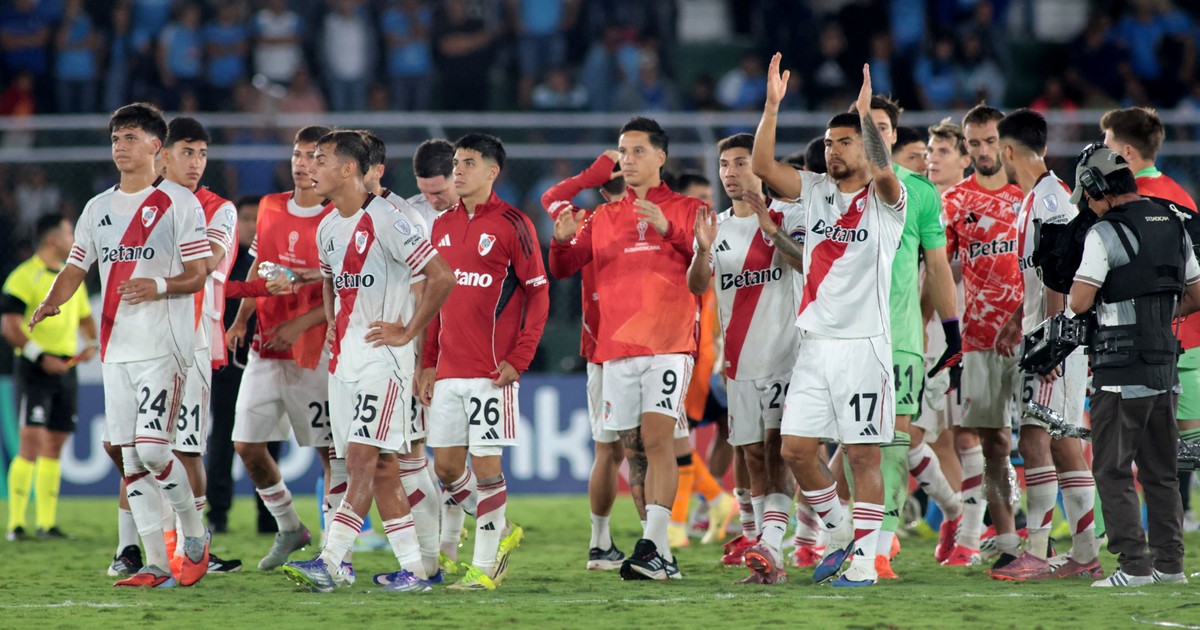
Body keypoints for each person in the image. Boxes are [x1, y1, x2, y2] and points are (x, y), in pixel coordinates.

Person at [31, 102, 211, 588]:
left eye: (130, 138)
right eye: (115, 139)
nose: (119, 147)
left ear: (156, 146)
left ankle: (193, 531)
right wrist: (50, 302)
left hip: (164, 346)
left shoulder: (180, 202)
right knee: (130, 459)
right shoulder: (97, 208)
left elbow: (199, 274)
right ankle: (155, 563)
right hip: (116, 349)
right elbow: (76, 267)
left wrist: (159, 285)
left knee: (153, 450)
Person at [752, 58, 905, 587]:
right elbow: (762, 165)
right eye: (828, 142)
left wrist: (866, 119)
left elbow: (884, 174)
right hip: (815, 344)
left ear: (865, 145)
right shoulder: (814, 189)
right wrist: (772, 106)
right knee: (795, 449)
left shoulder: (888, 202)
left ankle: (864, 564)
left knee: (862, 456)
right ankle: (841, 534)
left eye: (845, 141)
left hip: (864, 345)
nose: (833, 150)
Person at [281, 130, 454, 593]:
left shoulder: (391, 218)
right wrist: (333, 321)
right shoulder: (327, 226)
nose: (309, 167)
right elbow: (330, 280)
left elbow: (441, 276)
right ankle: (414, 570)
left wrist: (408, 332)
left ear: (348, 169)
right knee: (379, 467)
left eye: (321, 159)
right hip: (344, 363)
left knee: (361, 459)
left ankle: (330, 560)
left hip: (384, 362)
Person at [550, 116, 704, 581]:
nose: (628, 159)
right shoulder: (601, 217)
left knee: (657, 440)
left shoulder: (689, 208)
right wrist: (559, 242)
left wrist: (671, 231)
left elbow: (702, 278)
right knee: (629, 447)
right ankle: (660, 555)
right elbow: (564, 268)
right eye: (623, 151)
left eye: (638, 151)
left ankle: (653, 544)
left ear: (661, 157)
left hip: (669, 343)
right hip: (616, 349)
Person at [417, 133, 548, 590]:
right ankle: (502, 527)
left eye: (469, 162)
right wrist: (428, 361)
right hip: (448, 371)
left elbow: (538, 293)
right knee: (447, 469)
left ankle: (486, 566)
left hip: (492, 372)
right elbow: (435, 300)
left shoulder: (514, 223)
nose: (458, 169)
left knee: (488, 469)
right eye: (456, 161)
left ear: (493, 172)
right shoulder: (441, 225)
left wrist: (521, 356)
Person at [1067, 143, 1200, 587]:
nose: (1087, 206)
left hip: (1120, 369)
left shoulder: (1104, 232)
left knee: (1112, 469)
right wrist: (1155, 320)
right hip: (1165, 365)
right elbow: (1197, 295)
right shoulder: (1175, 224)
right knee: (1162, 473)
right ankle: (1170, 566)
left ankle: (1134, 567)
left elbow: (1079, 301)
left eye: (1087, 197)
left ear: (1095, 187)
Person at [687, 132, 803, 584]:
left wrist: (772, 230)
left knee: (778, 452)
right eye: (725, 165)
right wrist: (701, 250)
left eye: (740, 163)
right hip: (738, 361)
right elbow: (698, 285)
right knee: (752, 455)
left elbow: (806, 263)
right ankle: (762, 547)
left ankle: (773, 546)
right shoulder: (715, 228)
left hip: (786, 356)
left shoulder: (787, 214)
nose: (731, 172)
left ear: (758, 167)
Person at [855, 95, 961, 578]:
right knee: (850, 446)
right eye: (866, 126)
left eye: (881, 127)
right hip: (844, 341)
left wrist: (951, 330)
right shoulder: (834, 189)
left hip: (899, 338)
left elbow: (936, 267)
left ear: (893, 135)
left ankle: (879, 546)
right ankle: (838, 533)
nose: (874, 135)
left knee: (897, 441)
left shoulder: (919, 192)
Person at [992, 108, 1099, 580]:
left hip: (1056, 342)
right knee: (1063, 443)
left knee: (1035, 439)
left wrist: (1052, 342)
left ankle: (1036, 550)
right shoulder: (1039, 197)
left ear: (1007, 150)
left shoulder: (1049, 200)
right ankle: (1085, 554)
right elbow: (1040, 275)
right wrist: (1017, 318)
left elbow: (1063, 272)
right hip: (1050, 335)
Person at [226, 125, 333, 571]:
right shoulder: (270, 206)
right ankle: (290, 526)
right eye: (297, 155)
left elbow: (343, 288)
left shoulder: (337, 216)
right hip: (266, 348)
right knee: (247, 446)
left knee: (330, 454)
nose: (302, 164)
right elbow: (260, 268)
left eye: (313, 156)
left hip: (315, 352)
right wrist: (241, 319)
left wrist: (300, 325)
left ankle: (334, 552)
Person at [353, 130, 444, 581]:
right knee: (402, 461)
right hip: (379, 353)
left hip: (407, 354)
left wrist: (420, 355)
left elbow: (429, 287)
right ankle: (428, 561)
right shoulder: (363, 215)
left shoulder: (401, 217)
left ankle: (431, 558)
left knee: (411, 461)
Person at [1100, 106, 1200, 518]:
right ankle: (1177, 523)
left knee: (1130, 443)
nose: (1101, 152)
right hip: (1189, 331)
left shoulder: (1125, 201)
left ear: (1125, 151)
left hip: (1148, 338)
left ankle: (1120, 532)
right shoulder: (1180, 195)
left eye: (1106, 144)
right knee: (1184, 442)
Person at [939, 104, 1025, 568]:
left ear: (1005, 142)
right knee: (994, 444)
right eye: (974, 143)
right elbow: (939, 266)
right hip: (979, 339)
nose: (983, 151)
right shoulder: (955, 201)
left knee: (1046, 441)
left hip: (1033, 333)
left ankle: (1051, 539)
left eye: (990, 141)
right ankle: (1009, 540)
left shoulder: (1029, 193)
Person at [539, 150, 631, 569]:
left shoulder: (590, 220)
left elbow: (552, 196)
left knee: (611, 450)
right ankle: (647, 545)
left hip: (609, 349)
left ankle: (604, 542)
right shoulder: (597, 221)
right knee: (642, 450)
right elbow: (550, 199)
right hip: (643, 349)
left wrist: (589, 175)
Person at [158, 116, 242, 574]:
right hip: (145, 337)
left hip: (192, 339)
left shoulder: (219, 209)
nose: (196, 163)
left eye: (202, 154)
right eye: (187, 152)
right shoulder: (142, 202)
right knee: (137, 447)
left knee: (186, 447)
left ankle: (193, 547)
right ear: (164, 156)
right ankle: (141, 550)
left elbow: (208, 262)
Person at [3, 214, 97, 541]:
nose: (74, 239)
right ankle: (16, 524)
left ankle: (47, 523)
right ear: (53, 239)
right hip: (34, 369)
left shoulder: (71, 278)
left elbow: (85, 319)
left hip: (66, 370)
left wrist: (91, 343)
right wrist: (41, 357)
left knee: (55, 444)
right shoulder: (23, 276)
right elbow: (9, 326)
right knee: (30, 442)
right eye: (70, 233)